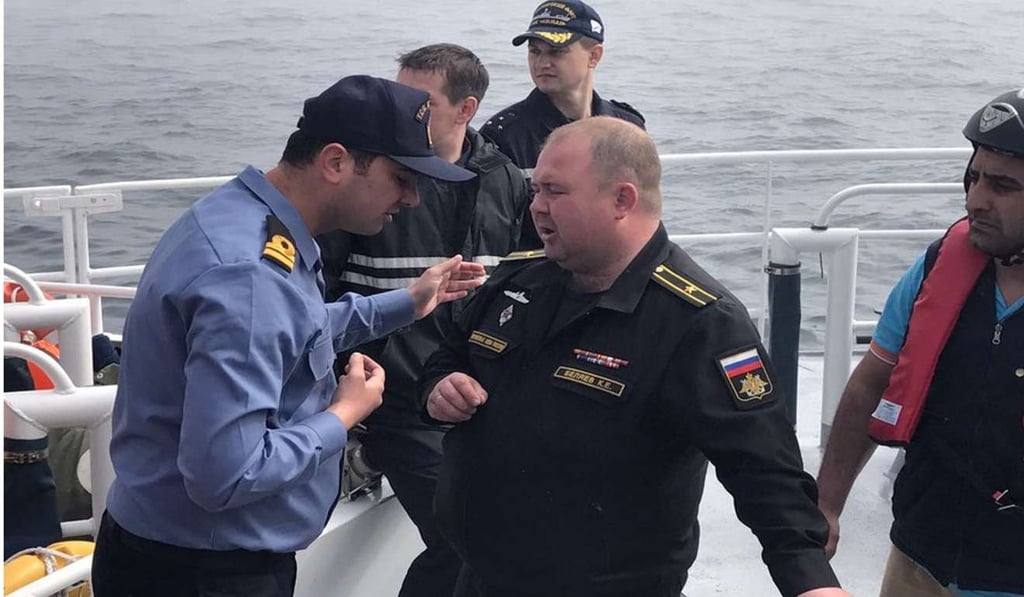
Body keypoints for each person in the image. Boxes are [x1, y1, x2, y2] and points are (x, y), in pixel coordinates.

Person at [90, 74, 486, 597]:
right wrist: (345, 413)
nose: (413, 198)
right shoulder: (249, 275)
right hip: (206, 572)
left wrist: (410, 302)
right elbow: (225, 474)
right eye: (400, 177)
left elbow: (291, 327)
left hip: (171, 551)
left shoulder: (243, 217)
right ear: (336, 162)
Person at [422, 116, 851, 597]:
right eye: (535, 189)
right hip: (481, 578)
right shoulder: (517, 281)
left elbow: (763, 468)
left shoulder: (699, 322)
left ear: (622, 200)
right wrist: (441, 385)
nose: (536, 207)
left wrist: (810, 581)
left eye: (555, 192)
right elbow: (448, 353)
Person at [316, 44, 534, 597]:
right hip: (393, 401)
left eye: (420, 101)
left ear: (466, 109)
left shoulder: (505, 181)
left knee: (522, 525)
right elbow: (317, 291)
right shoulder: (370, 182)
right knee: (464, 539)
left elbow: (525, 285)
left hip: (477, 394)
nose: (406, 111)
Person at [817, 89, 1024, 597]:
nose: (976, 199)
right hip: (918, 557)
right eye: (974, 177)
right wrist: (826, 504)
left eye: (1002, 185)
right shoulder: (938, 267)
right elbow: (873, 382)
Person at [479, 0, 645, 171]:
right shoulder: (504, 136)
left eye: (556, 51)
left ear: (594, 56)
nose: (542, 63)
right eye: (534, 51)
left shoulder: (628, 126)